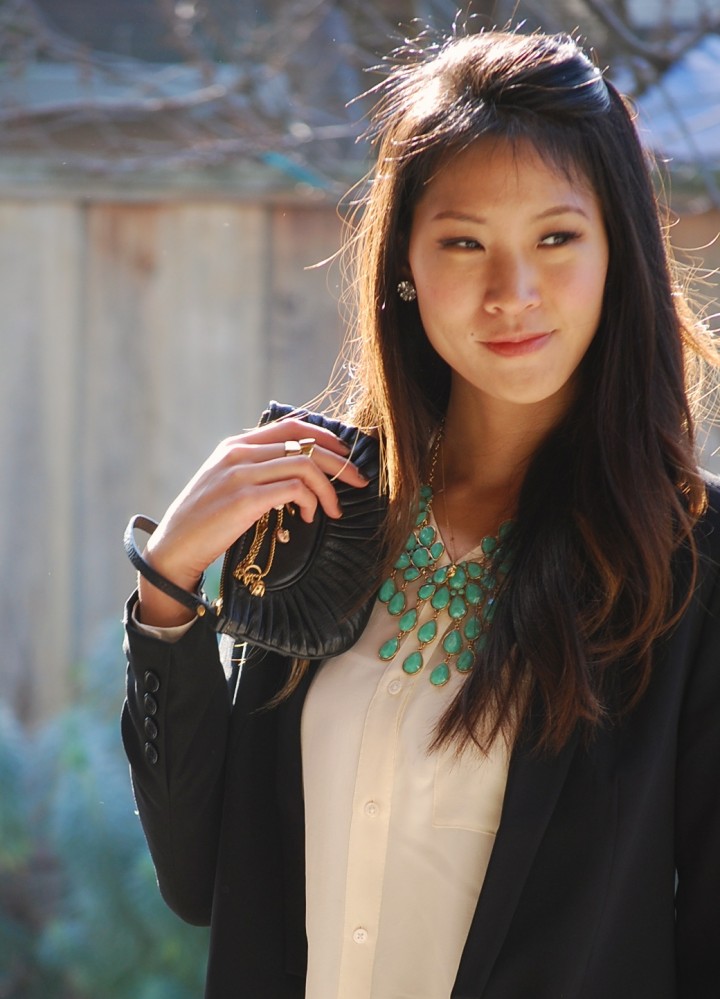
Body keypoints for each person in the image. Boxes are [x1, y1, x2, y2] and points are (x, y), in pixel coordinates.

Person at [121, 28, 720, 999]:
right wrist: (169, 592)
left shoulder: (692, 572)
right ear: (406, 262)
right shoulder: (325, 509)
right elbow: (205, 879)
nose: (511, 292)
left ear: (621, 254)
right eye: (464, 242)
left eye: (557, 238)